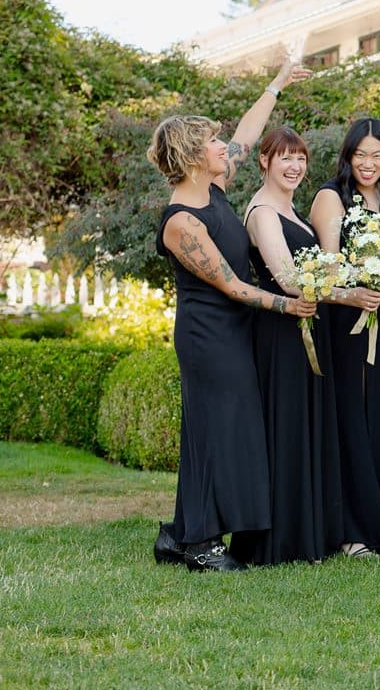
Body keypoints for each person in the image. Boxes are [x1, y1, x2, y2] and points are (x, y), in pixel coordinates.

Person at [147, 60, 316, 572]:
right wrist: (288, 304)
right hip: (208, 337)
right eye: (213, 143)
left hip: (234, 332)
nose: (225, 148)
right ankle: (200, 544)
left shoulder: (214, 191)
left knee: (221, 430)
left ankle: (178, 534)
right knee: (216, 433)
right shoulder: (181, 221)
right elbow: (232, 285)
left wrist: (277, 84)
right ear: (193, 157)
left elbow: (248, 133)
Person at [236, 127, 380, 566]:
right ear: (264, 161)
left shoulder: (291, 210)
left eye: (300, 158)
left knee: (309, 425)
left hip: (307, 328)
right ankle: (283, 539)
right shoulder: (263, 212)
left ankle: (312, 532)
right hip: (280, 332)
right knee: (287, 427)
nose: (295, 166)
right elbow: (288, 280)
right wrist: (348, 295)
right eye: (285, 158)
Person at [310, 117, 380, 556]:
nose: (369, 163)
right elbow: (328, 264)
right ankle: (351, 528)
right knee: (353, 413)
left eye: (377, 155)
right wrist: (360, 280)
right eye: (361, 154)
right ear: (348, 156)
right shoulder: (332, 196)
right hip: (347, 316)